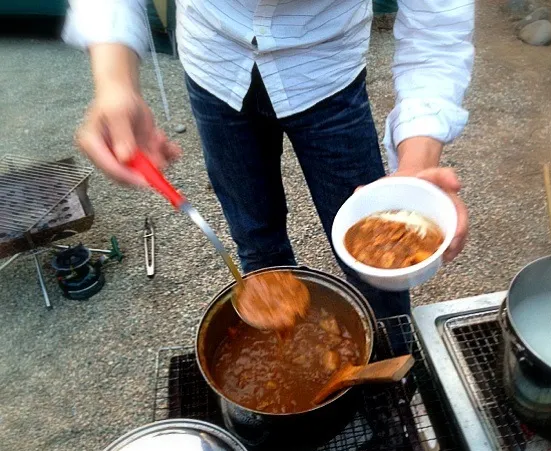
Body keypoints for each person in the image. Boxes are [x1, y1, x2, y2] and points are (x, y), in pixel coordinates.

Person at [63, 0, 473, 321]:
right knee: (257, 245)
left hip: (326, 67)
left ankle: (392, 378)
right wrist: (115, 84)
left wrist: (415, 167)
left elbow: (437, 30)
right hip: (214, 60)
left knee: (378, 264)